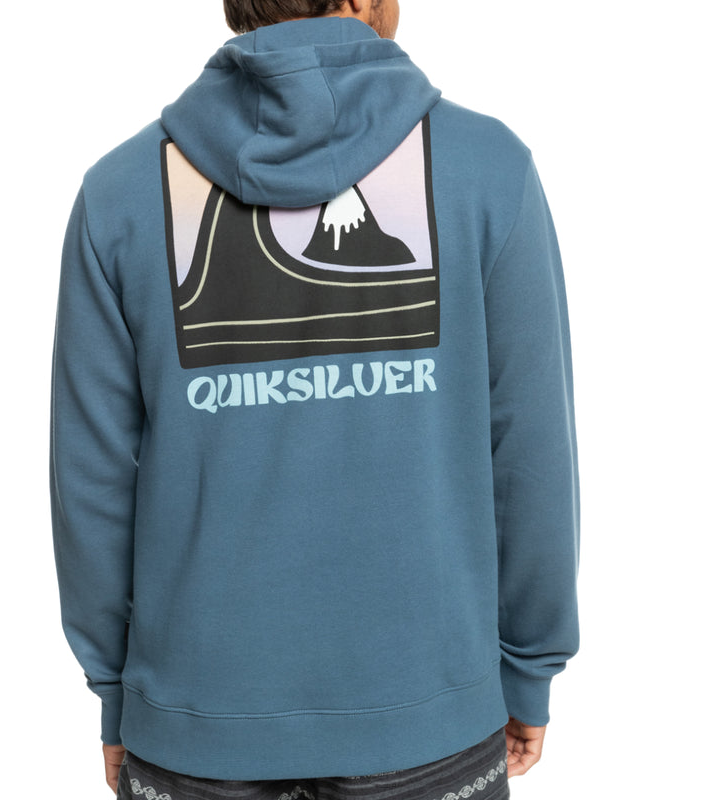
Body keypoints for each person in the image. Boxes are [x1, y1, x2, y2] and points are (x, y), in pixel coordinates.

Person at [50, 1, 580, 797]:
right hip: (428, 720)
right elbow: (531, 453)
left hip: (196, 727)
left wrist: (117, 694)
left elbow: (90, 482)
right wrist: (528, 668)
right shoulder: (488, 169)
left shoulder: (119, 193)